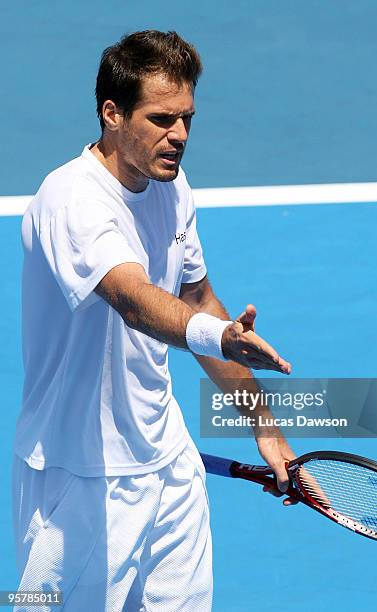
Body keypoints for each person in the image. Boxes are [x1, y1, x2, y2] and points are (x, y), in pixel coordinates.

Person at [12, 30, 295, 612]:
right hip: (78, 480)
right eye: (163, 119)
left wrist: (266, 428)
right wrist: (217, 335)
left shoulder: (172, 186)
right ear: (111, 114)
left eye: (188, 118)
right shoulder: (70, 201)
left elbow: (200, 302)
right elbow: (133, 297)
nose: (181, 136)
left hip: (169, 465)